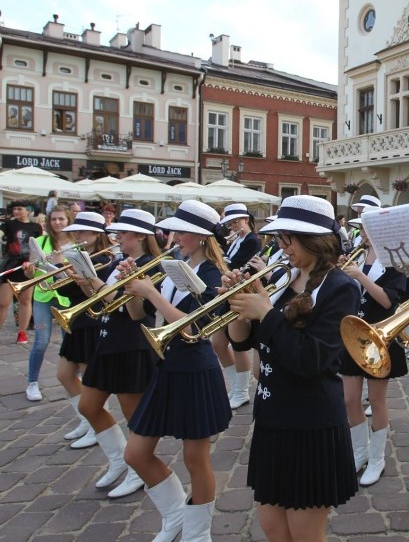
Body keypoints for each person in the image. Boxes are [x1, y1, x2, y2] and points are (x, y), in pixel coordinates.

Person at [225, 195, 359, 541]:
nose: (282, 246)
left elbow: (312, 359)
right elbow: (242, 343)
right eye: (281, 238)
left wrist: (265, 313)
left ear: (316, 240)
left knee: (304, 531)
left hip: (309, 422)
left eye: (289, 238)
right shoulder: (285, 277)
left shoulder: (341, 288)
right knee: (272, 524)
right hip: (273, 417)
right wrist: (239, 307)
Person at [123, 200, 232, 541]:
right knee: (136, 454)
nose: (176, 236)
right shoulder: (176, 263)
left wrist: (151, 293)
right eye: (175, 229)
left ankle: (198, 533)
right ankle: (175, 517)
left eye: (184, 231)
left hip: (195, 369)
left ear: (201, 236)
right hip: (168, 366)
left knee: (195, 458)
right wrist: (132, 289)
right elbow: (137, 317)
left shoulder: (212, 274)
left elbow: (192, 327)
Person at [74, 209, 161, 498]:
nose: (117, 237)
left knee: (131, 413)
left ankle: (137, 469)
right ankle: (117, 459)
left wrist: (93, 280)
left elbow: (123, 305)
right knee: (88, 406)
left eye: (122, 233)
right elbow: (102, 302)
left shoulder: (150, 265)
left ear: (138, 236)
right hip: (108, 339)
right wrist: (85, 282)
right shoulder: (121, 261)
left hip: (131, 344)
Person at [340, 220, 409, 487]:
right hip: (352, 332)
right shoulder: (359, 253)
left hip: (379, 335)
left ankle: (377, 457)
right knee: (349, 399)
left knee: (377, 401)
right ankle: (360, 452)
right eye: (363, 229)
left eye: (369, 229)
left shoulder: (396, 261)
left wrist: (359, 276)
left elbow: (387, 301)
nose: (364, 234)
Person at [54, 212, 114, 448]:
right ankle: (85, 419)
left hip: (92, 320)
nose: (77, 235)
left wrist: (65, 269)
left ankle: (97, 424)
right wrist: (54, 273)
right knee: (64, 374)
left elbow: (92, 292)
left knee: (91, 379)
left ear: (96, 234)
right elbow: (68, 293)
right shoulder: (77, 255)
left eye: (82, 231)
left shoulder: (104, 258)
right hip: (77, 317)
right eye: (76, 231)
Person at [21, 205, 73, 401]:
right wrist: (28, 271)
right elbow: (32, 271)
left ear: (68, 221)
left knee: (68, 341)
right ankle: (32, 382)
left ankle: (71, 380)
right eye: (54, 219)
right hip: (43, 294)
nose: (57, 223)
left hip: (66, 296)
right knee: (41, 341)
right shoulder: (41, 241)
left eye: (61, 219)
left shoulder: (75, 243)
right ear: (49, 222)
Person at [214, 203, 262, 410]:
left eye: (237, 222)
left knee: (236, 342)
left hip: (239, 288)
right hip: (229, 287)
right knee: (217, 343)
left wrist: (223, 262)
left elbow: (240, 265)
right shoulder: (237, 240)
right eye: (231, 223)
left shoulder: (252, 240)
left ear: (246, 220)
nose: (234, 226)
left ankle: (241, 390)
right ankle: (235, 385)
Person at [0, 201, 43, 345]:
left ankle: (22, 333)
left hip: (27, 268)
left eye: (20, 209)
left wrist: (33, 262)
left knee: (25, 301)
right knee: (3, 303)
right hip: (10, 265)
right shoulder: (9, 224)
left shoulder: (35, 227)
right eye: (15, 209)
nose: (16, 211)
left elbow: (38, 247)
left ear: (28, 210)